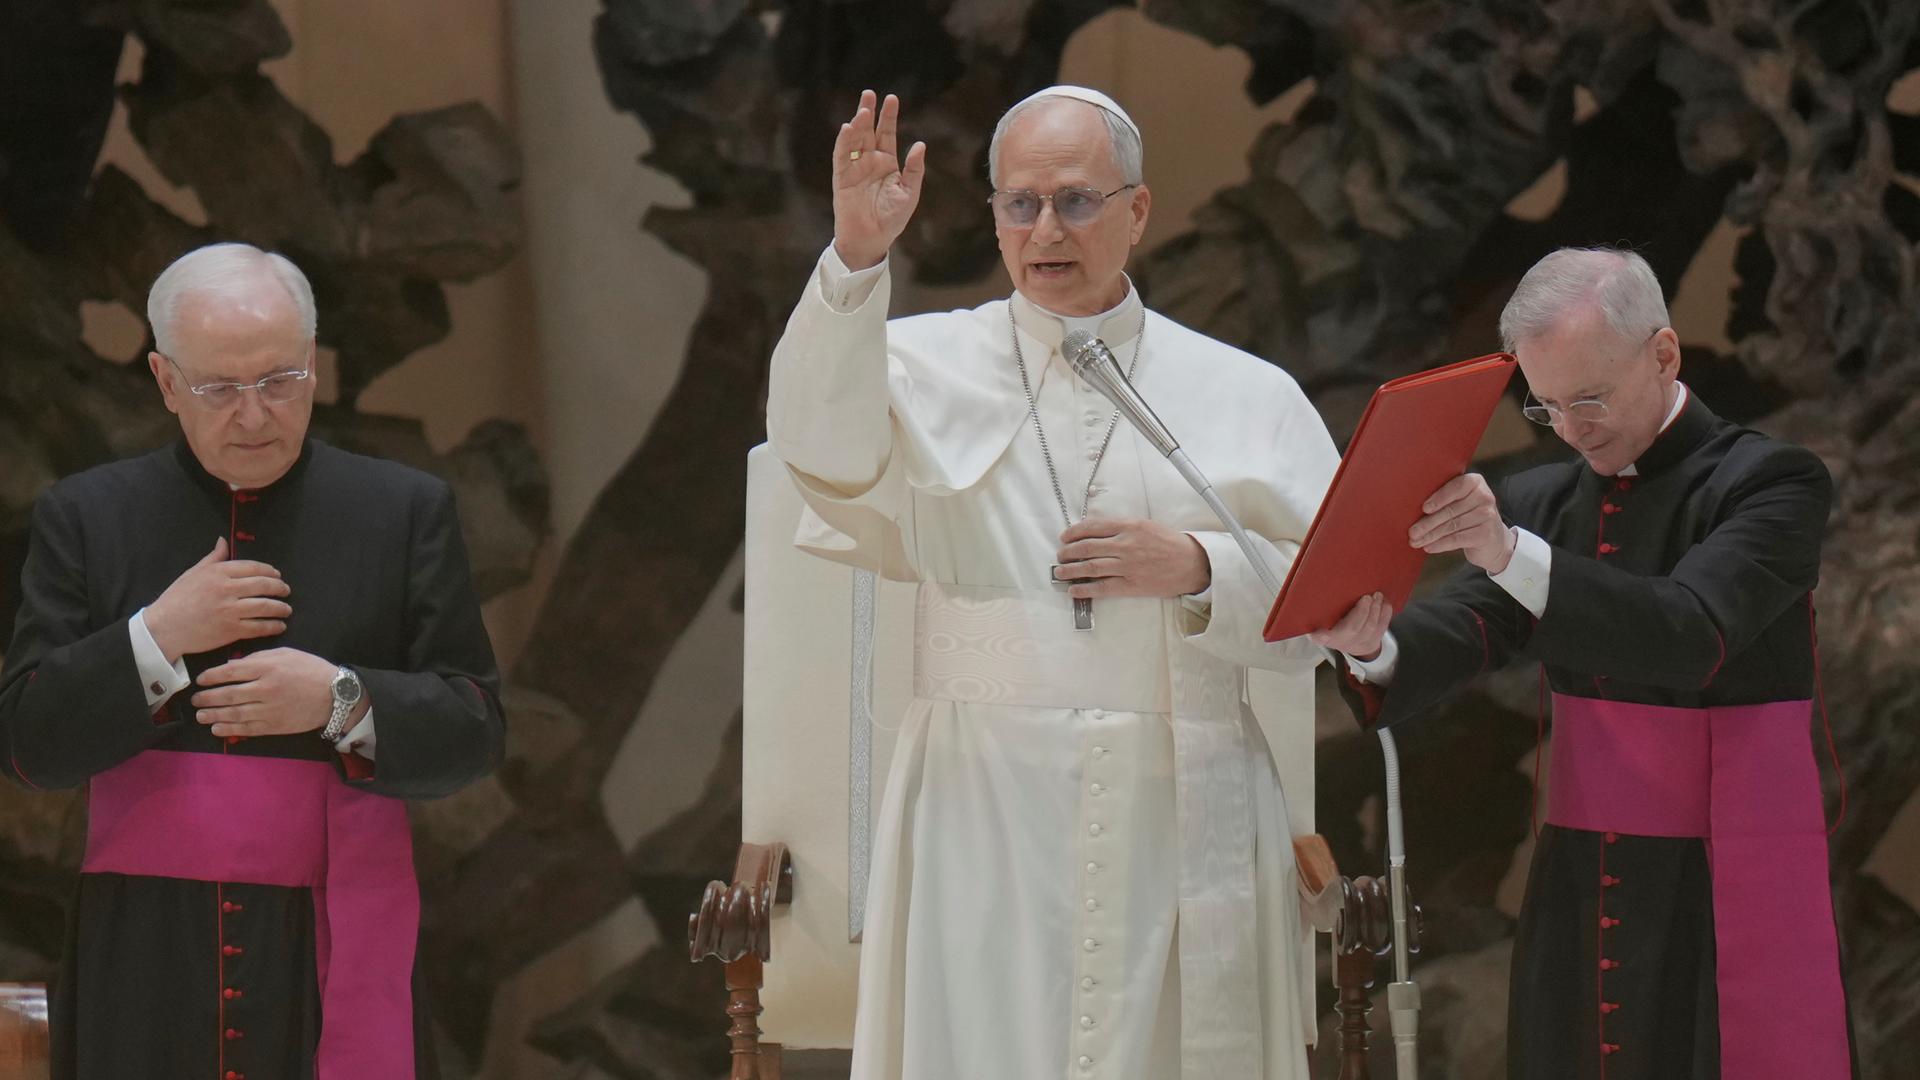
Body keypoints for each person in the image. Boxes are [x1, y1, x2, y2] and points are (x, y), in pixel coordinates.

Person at [765, 86, 1341, 1079]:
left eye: (1075, 201)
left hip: (1180, 803)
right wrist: (856, 256)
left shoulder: (1249, 394)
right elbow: (818, 450)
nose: (1045, 231)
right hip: (981, 801)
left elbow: (1332, 604)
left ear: (1138, 210)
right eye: (1019, 204)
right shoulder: (913, 364)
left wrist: (1198, 566)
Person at [1313, 247, 1851, 1080]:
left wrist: (1507, 551)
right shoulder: (1544, 500)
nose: (1570, 429)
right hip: (1582, 864)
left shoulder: (1771, 482)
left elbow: (1690, 634)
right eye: (1547, 407)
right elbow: (1475, 623)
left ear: (1663, 354)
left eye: (1590, 398)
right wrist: (1372, 645)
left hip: (1729, 856)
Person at [0, 242, 506, 1080]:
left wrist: (339, 700)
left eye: (280, 380)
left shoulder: (403, 512)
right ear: (165, 381)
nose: (254, 416)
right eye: (219, 389)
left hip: (332, 936)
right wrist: (158, 635)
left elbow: (475, 729)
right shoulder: (85, 517)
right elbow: (27, 747)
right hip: (145, 949)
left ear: (314, 364)